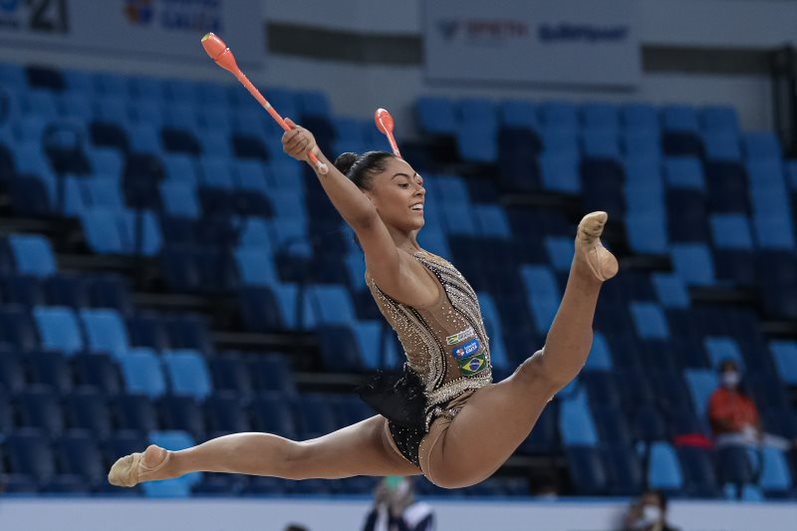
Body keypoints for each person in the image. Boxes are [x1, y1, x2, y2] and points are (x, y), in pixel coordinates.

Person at [107, 118, 618, 491]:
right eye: (402, 183)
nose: (418, 187)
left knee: (297, 459)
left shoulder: (424, 259)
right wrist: (318, 161)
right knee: (539, 376)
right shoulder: (391, 266)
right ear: (370, 200)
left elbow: (375, 217)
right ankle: (585, 271)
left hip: (419, 420)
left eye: (418, 180)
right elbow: (366, 223)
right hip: (454, 428)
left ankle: (173, 461)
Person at [708, 358, 792, 450]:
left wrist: (756, 432)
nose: (729, 375)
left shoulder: (745, 399)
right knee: (752, 444)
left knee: (782, 444)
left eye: (732, 371)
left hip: (750, 436)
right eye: (726, 372)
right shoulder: (717, 397)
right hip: (726, 437)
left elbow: (756, 420)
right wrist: (740, 429)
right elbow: (719, 421)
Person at [362, 476, 434, 531]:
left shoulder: (422, 511)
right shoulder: (379, 510)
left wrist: (399, 517)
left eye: (400, 478)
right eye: (391, 478)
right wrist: (376, 508)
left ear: (410, 482)